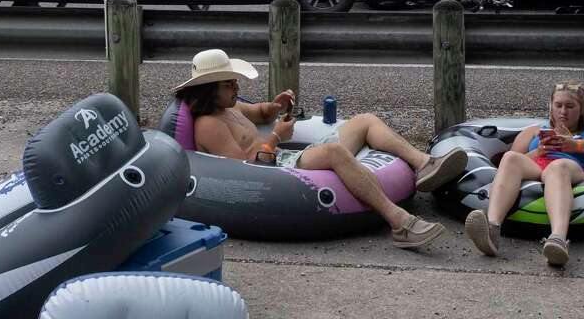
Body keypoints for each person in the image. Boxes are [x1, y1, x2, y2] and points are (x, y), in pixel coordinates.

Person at [174, 48, 467, 249]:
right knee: (335, 152)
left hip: (284, 156)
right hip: (277, 170)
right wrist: (276, 136)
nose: (236, 88)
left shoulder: (231, 107)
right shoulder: (209, 125)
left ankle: (425, 164)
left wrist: (277, 105)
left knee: (365, 121)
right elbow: (243, 171)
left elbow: (262, 113)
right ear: (210, 88)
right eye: (229, 84)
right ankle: (400, 223)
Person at [463, 80, 584, 265]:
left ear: (581, 110)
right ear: (550, 106)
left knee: (557, 167)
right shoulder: (534, 132)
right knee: (511, 158)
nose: (563, 111)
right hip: (538, 166)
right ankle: (493, 227)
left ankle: (558, 239)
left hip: (570, 168)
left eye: (570, 106)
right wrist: (537, 152)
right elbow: (507, 161)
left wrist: (575, 145)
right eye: (558, 105)